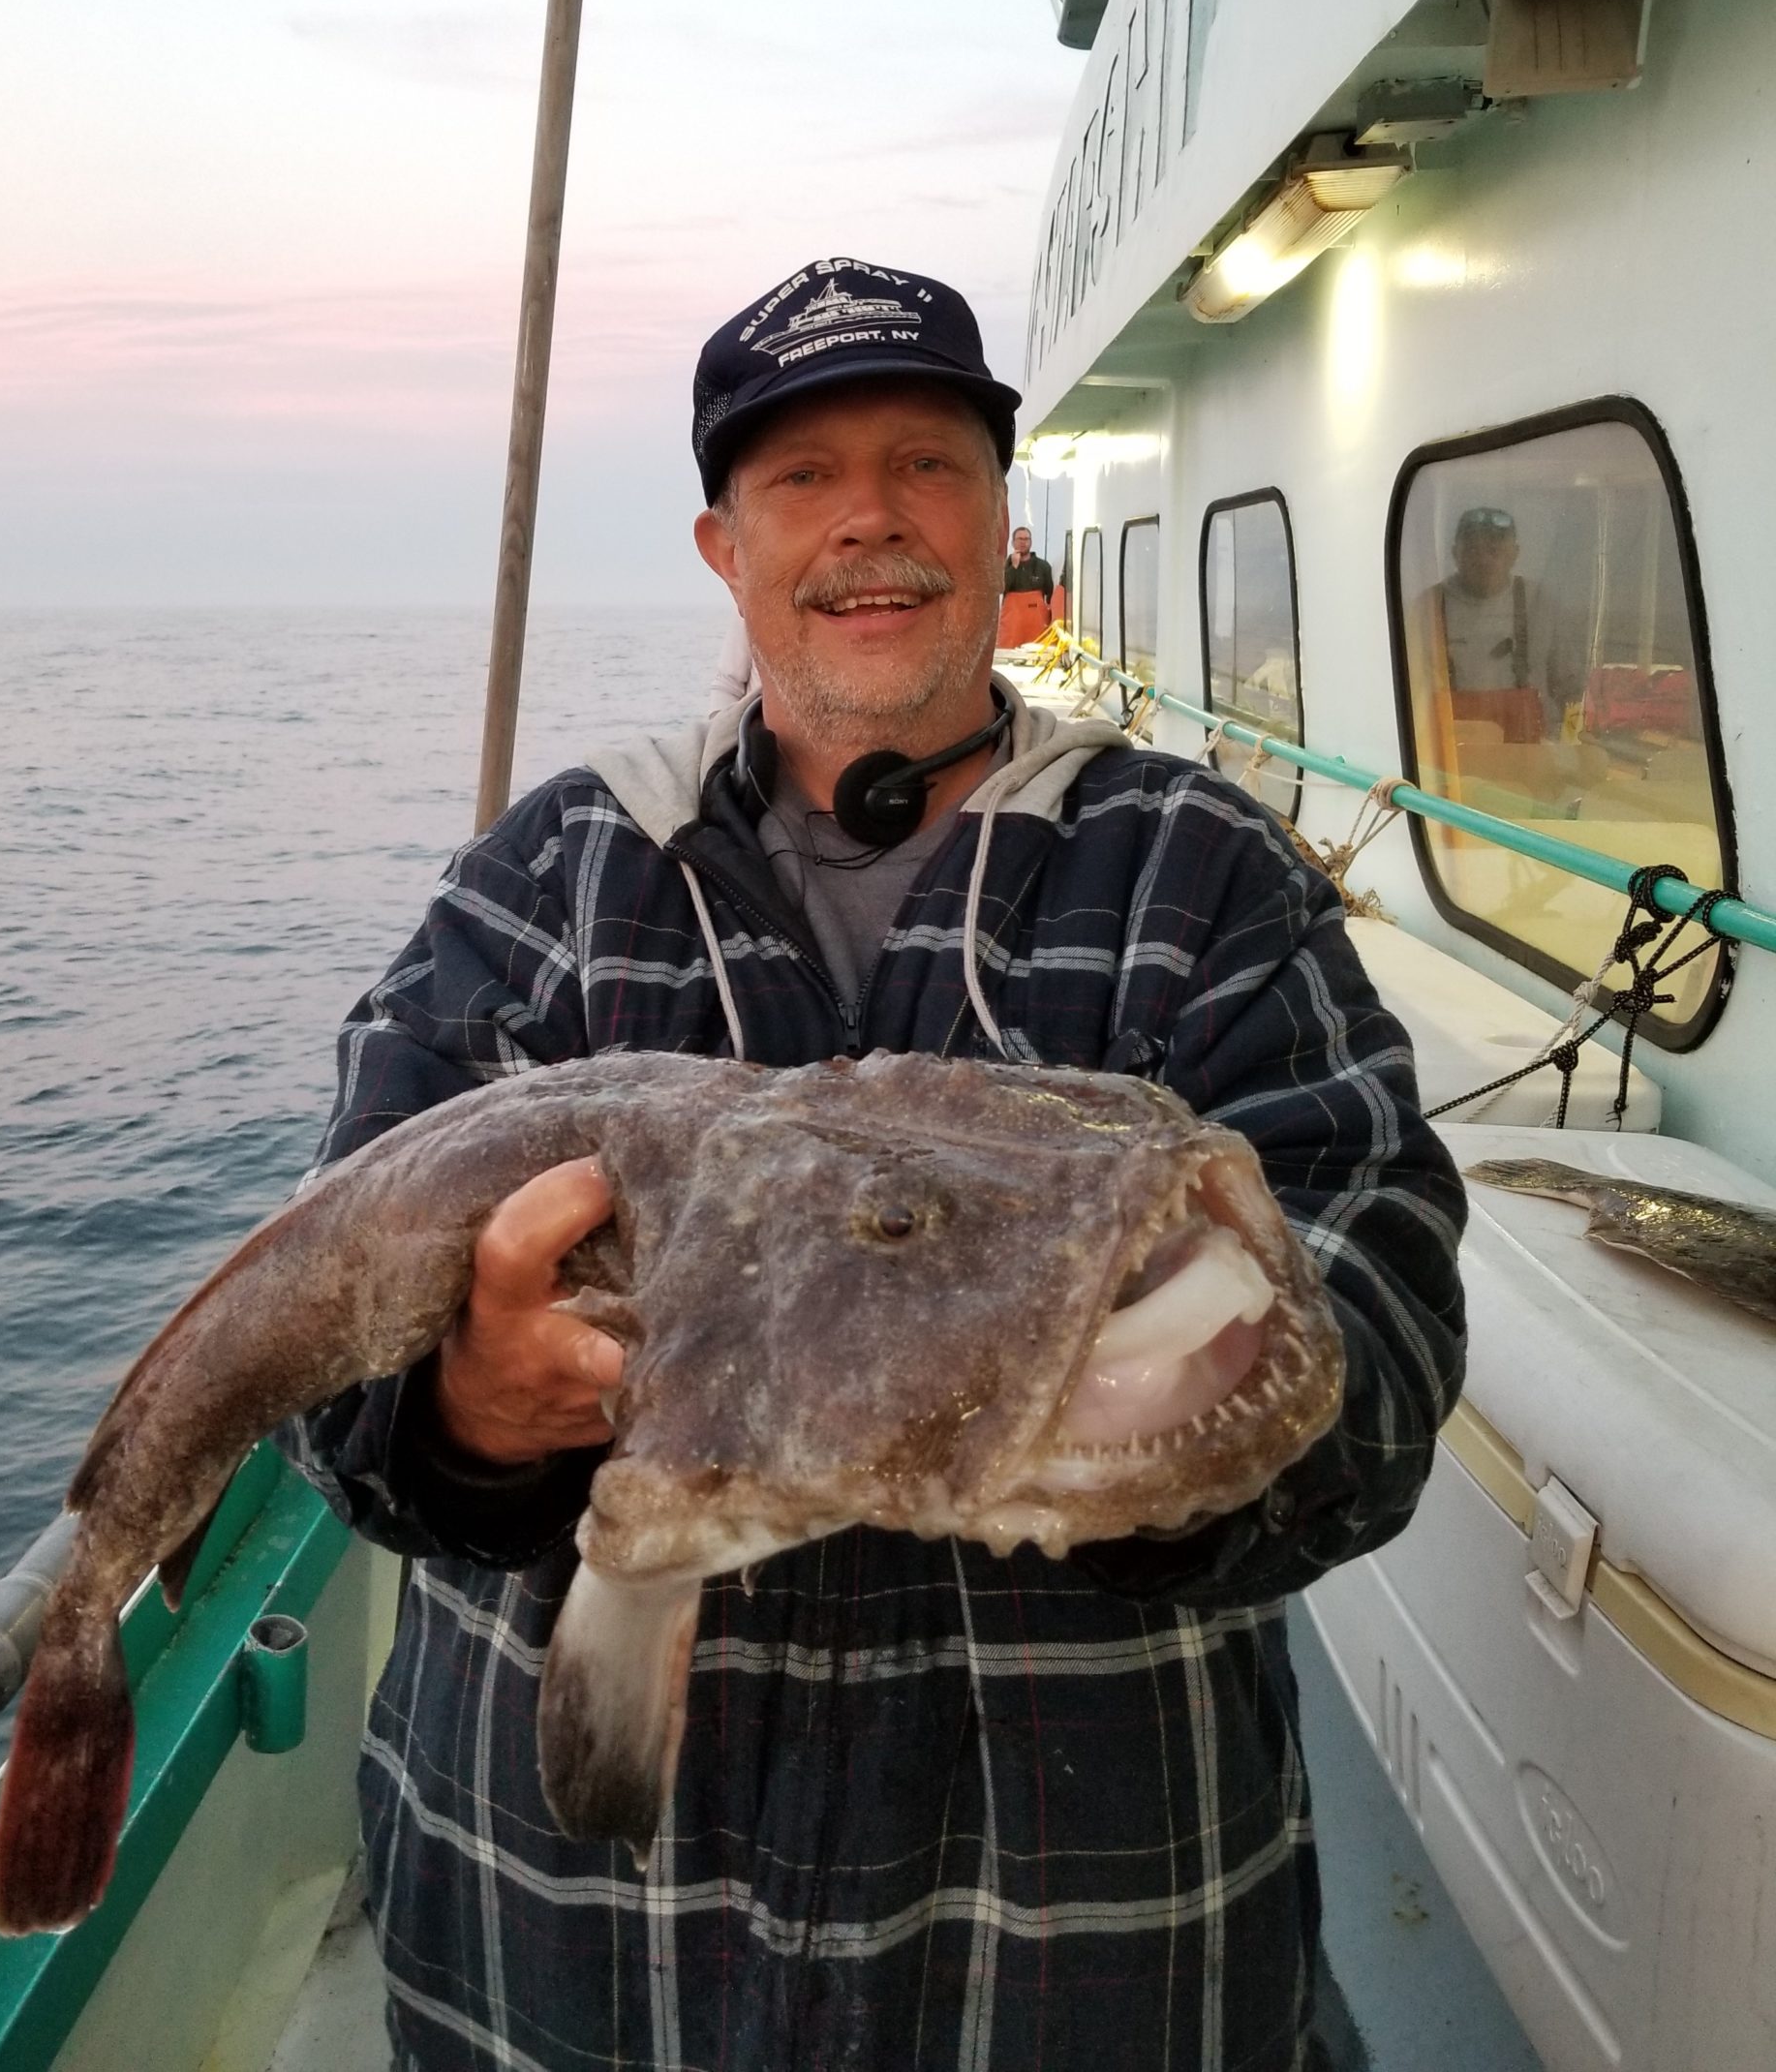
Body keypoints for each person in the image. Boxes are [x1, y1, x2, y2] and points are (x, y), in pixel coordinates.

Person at [286, 255, 1465, 2072]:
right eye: (802, 479)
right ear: (722, 544)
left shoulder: (1200, 876)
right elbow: (333, 1319)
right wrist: (466, 1414)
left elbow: (1379, 1275)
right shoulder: (546, 884)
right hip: (583, 1949)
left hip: (1089, 1950)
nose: (871, 527)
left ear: (1003, 519)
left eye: (926, 466)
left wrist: (1179, 1441)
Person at [1427, 503, 1581, 741]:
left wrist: (1570, 742)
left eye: (1494, 550)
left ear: (1515, 553)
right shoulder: (1428, 608)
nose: (1483, 560)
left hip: (1534, 755)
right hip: (1454, 759)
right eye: (1472, 550)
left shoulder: (1542, 603)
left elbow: (1570, 689)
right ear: (1454, 553)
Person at [1003, 523, 1055, 596]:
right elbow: (1002, 589)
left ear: (1031, 542)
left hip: (1035, 607)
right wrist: (1014, 567)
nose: (1023, 542)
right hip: (1012, 607)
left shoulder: (1043, 566)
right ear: (1013, 543)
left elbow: (1050, 594)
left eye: (1026, 539)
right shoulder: (1005, 565)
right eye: (1020, 539)